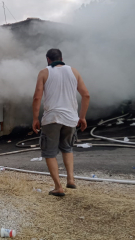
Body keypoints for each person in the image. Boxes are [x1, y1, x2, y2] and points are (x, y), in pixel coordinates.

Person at [32, 48, 90, 197]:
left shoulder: (44, 72)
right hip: (71, 119)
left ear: (47, 59)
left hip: (52, 118)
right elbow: (86, 95)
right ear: (61, 58)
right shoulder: (74, 71)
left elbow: (37, 97)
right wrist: (82, 117)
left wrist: (35, 119)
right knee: (67, 148)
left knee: (50, 152)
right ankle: (70, 179)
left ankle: (58, 187)